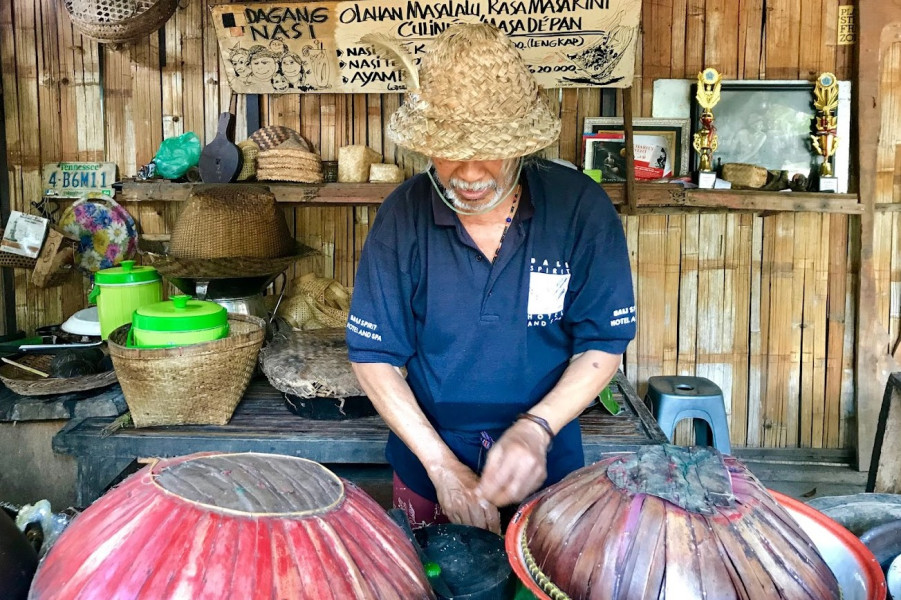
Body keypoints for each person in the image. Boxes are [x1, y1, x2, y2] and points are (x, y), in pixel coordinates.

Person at [346, 23, 636, 534]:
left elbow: (604, 344)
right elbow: (374, 357)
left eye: (490, 150)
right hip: (426, 454)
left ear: (522, 145)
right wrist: (440, 466)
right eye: (450, 149)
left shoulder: (579, 209)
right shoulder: (403, 216)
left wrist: (536, 428)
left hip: (548, 459)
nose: (471, 173)